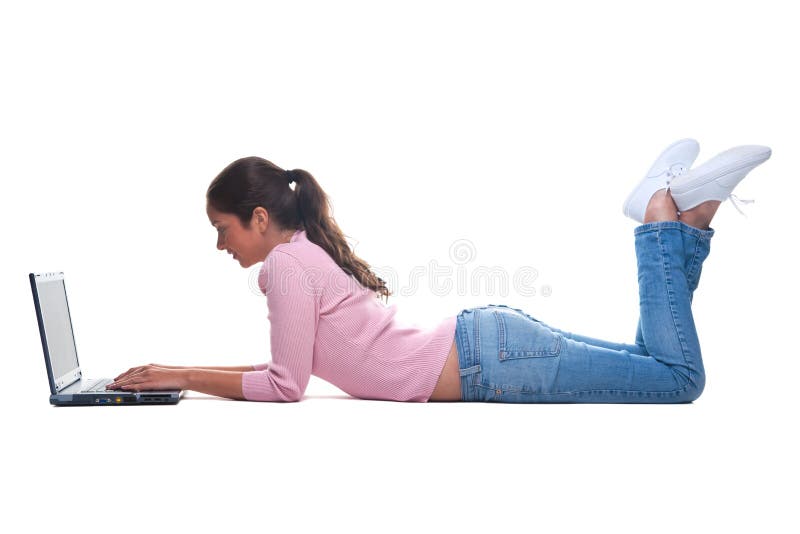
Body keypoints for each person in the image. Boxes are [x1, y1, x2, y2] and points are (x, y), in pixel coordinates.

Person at [107, 140, 771, 403]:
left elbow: (285, 385)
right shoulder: (303, 251)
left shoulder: (286, 264)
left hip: (495, 359)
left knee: (676, 379)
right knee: (654, 363)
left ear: (256, 218)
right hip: (491, 346)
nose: (220, 245)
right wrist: (183, 371)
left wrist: (182, 374)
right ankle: (688, 217)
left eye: (222, 229)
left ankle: (660, 216)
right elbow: (291, 369)